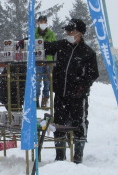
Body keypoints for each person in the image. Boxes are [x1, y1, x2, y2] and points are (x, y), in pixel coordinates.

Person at [44, 18, 99, 163]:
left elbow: (93, 74)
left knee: (79, 123)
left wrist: (82, 85)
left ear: (79, 33)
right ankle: (60, 156)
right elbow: (45, 46)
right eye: (66, 30)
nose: (67, 33)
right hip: (60, 93)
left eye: (70, 30)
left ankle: (78, 155)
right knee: (59, 124)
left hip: (78, 96)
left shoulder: (88, 52)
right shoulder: (62, 45)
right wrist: (27, 41)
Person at [35, 15, 57, 108]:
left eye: (44, 22)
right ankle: (35, 101)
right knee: (36, 83)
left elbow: (55, 46)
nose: (42, 24)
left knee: (47, 83)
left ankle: (45, 101)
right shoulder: (34, 34)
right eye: (41, 22)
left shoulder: (51, 34)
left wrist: (48, 47)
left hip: (48, 61)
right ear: (38, 23)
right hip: (37, 61)